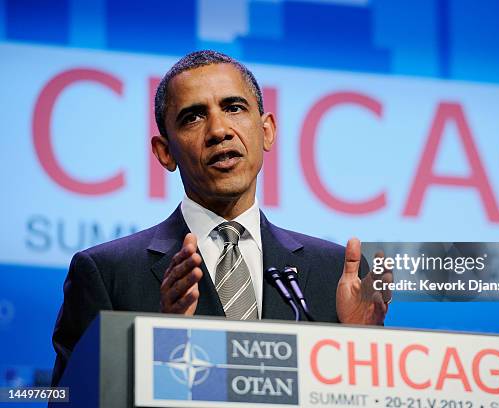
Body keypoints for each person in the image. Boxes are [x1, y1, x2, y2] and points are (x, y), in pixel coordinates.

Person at [51, 50, 392, 386]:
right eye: (193, 117)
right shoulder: (107, 274)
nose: (219, 130)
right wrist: (158, 342)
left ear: (267, 131)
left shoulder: (334, 273)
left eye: (233, 108)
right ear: (164, 152)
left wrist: (363, 349)